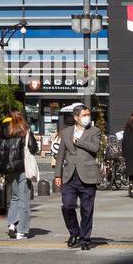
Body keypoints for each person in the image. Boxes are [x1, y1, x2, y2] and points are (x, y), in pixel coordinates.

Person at [55, 103, 102, 250]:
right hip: (69, 176)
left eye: (88, 115)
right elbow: (60, 155)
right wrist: (58, 174)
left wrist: (79, 141)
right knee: (67, 206)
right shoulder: (66, 132)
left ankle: (85, 238)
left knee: (87, 210)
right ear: (76, 117)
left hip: (88, 176)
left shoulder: (94, 131)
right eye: (84, 115)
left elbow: (95, 148)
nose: (87, 117)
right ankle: (74, 232)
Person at [0, 110, 38, 240]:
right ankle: (22, 230)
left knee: (14, 197)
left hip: (8, 169)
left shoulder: (2, 130)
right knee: (23, 199)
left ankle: (12, 224)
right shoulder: (24, 129)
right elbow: (33, 148)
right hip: (23, 168)